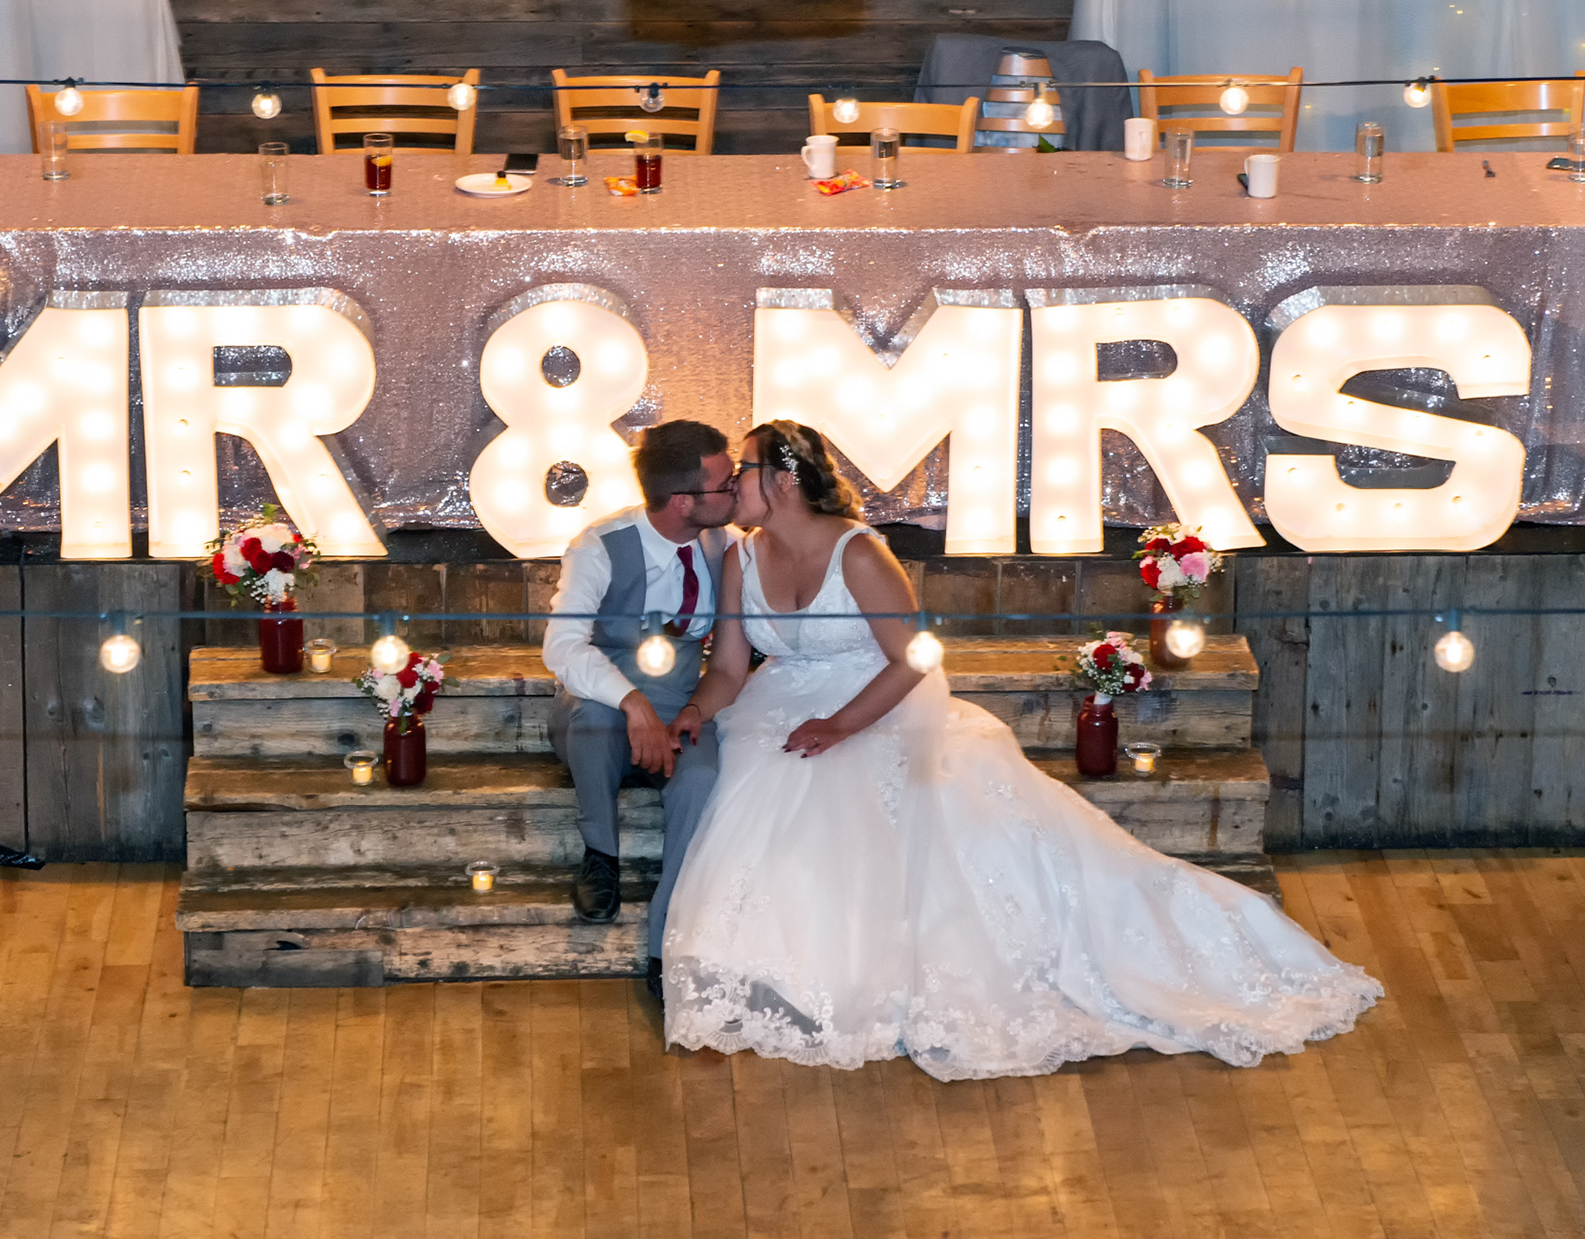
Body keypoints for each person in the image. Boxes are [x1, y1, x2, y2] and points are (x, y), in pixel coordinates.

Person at [659, 420, 1382, 1080]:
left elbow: (910, 659)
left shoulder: (859, 553)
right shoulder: (740, 561)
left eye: (741, 473)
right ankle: (788, 973)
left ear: (781, 481)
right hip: (779, 705)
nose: (728, 489)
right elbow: (728, 669)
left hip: (876, 701)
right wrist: (694, 710)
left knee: (860, 793)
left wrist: (842, 726)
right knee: (756, 786)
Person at [543, 419, 738, 1000]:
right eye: (725, 484)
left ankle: (666, 937)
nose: (736, 492)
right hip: (601, 699)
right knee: (597, 723)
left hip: (682, 699)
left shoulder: (723, 544)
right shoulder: (599, 544)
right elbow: (562, 646)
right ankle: (601, 854)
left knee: (703, 776)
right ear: (683, 501)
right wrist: (630, 702)